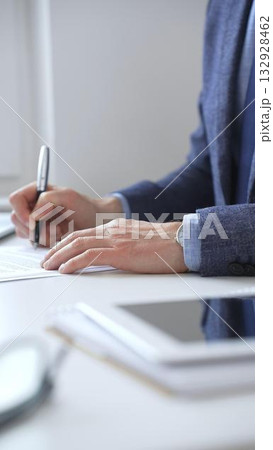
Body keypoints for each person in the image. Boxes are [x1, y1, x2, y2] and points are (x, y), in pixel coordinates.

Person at [9, 0, 255, 338]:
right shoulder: (227, 7)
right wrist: (104, 210)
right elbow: (213, 170)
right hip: (230, 337)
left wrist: (185, 238)